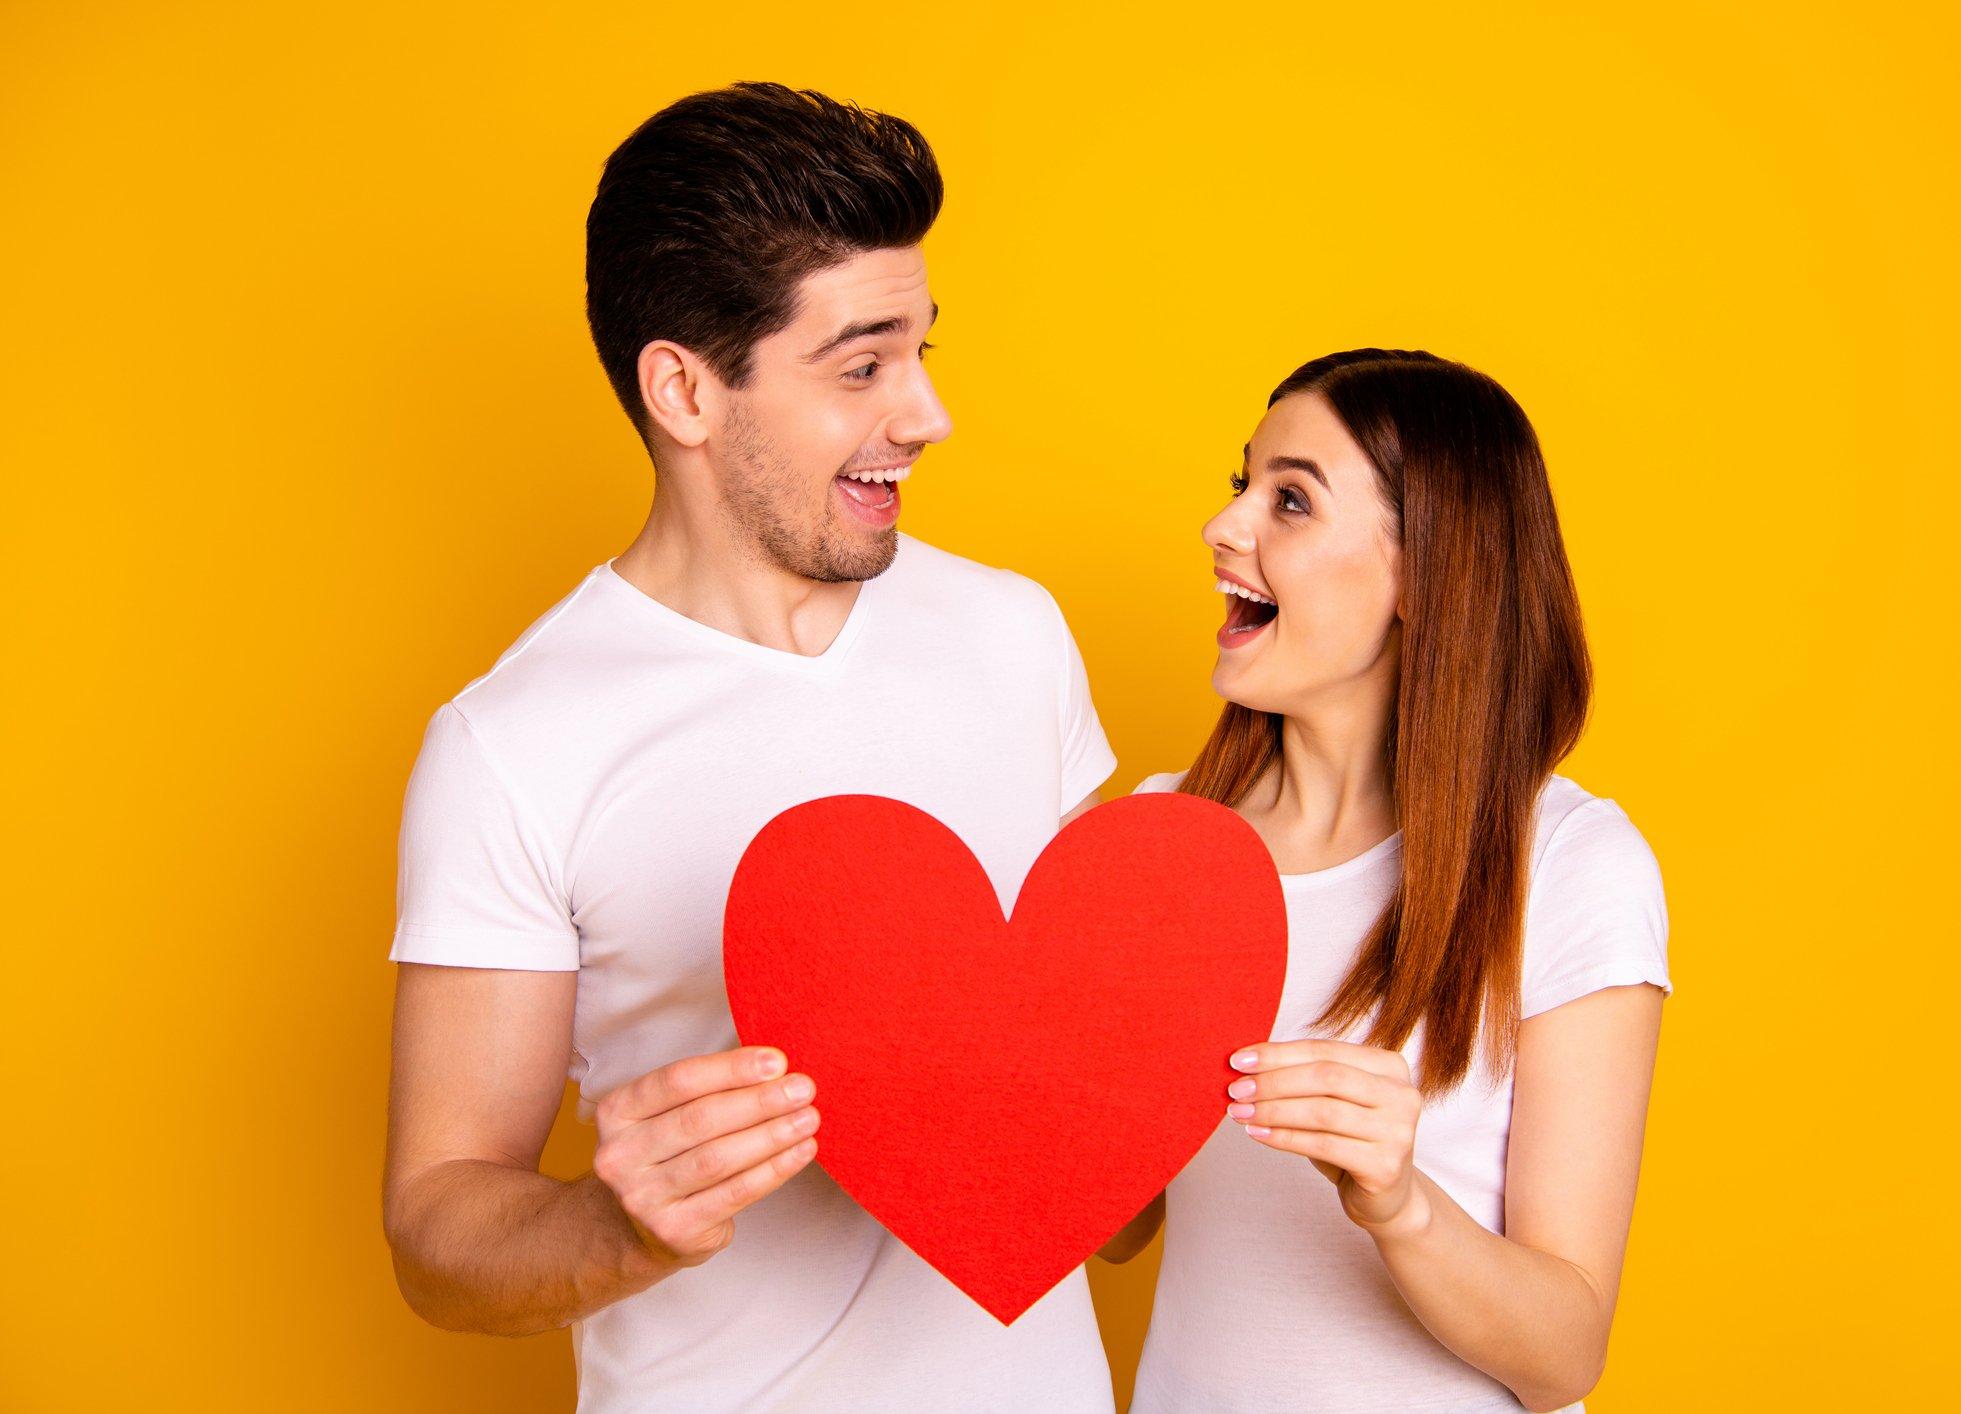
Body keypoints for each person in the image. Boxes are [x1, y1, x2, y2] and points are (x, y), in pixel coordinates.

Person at [379, 83, 1120, 1412]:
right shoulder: (513, 742)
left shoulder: (1015, 637)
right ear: (686, 390)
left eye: (922, 349)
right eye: (860, 366)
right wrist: (619, 1224)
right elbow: (439, 1230)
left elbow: (1103, 1126)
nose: (926, 413)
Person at [1099, 348, 1672, 1413]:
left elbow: (1564, 1357)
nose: (1224, 528)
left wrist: (1399, 1201)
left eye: (1291, 500)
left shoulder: (1570, 865)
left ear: (1424, 572)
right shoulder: (1157, 838)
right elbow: (1114, 1229)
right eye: (1243, 485)